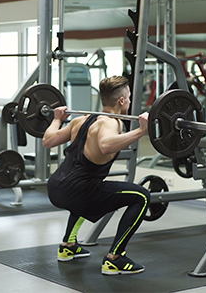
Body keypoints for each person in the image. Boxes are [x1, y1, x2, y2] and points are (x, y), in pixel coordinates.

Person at [42, 75, 151, 275]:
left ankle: (68, 246)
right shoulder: (111, 123)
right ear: (121, 101)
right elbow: (105, 145)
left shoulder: (80, 120)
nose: (128, 101)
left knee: (85, 193)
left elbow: (47, 140)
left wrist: (57, 119)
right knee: (142, 196)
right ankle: (115, 258)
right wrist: (141, 131)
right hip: (79, 191)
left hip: (56, 187)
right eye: (127, 98)